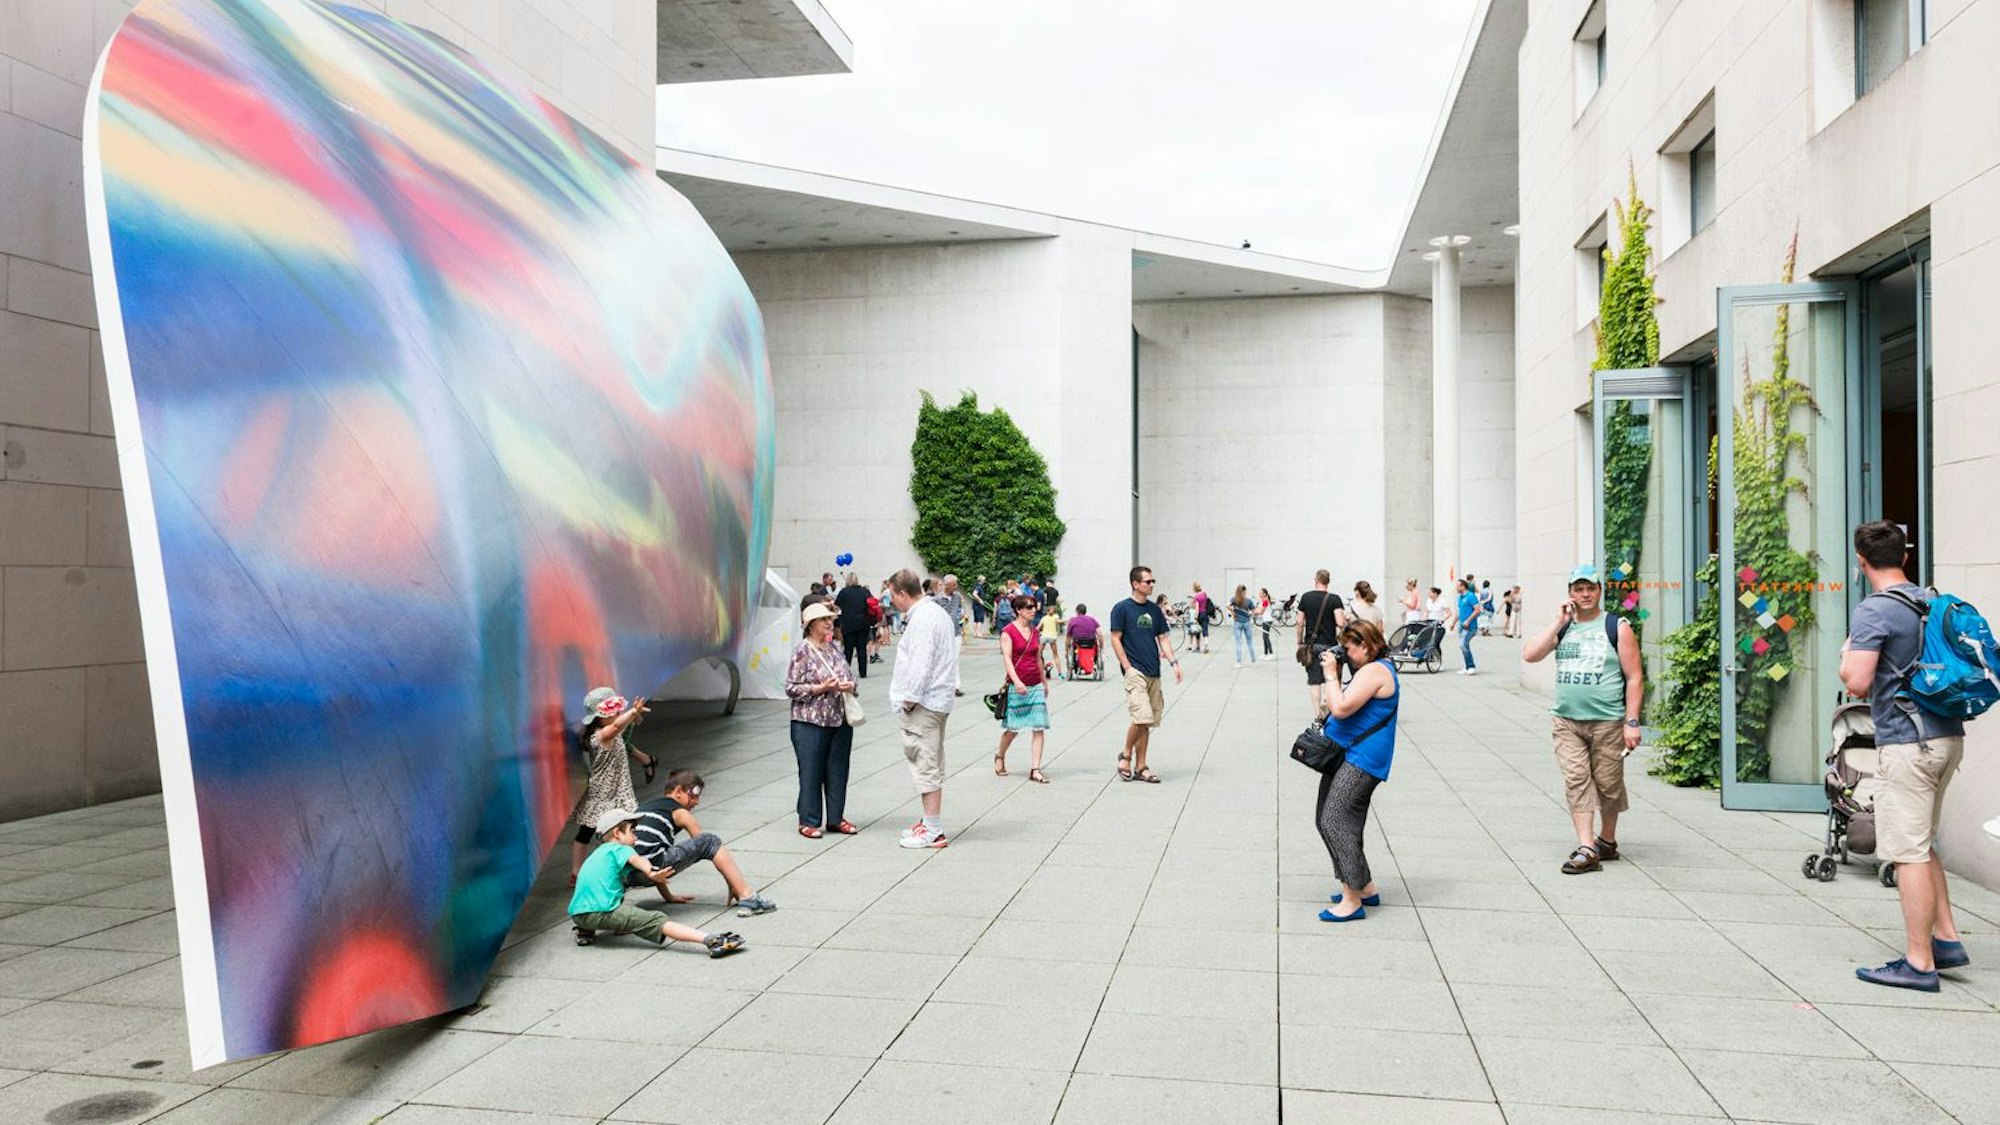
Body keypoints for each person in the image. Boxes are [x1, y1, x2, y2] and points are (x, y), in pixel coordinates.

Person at [1843, 520, 1970, 992]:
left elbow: (1857, 681)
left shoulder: (1875, 609)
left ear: (1861, 561)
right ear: (1905, 557)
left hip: (1906, 744)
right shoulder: (1929, 600)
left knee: (1907, 852)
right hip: (1946, 737)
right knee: (1923, 842)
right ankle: (1946, 938)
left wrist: (1846, 654)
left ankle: (1919, 962)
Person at [1521, 564, 1644, 875]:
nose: (1585, 594)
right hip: (1567, 721)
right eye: (1579, 589)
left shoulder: (1617, 626)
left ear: (1600, 591)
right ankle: (1587, 848)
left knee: (1608, 784)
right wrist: (1558, 622)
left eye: (1590, 588)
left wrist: (1631, 721)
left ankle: (1607, 841)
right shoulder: (1564, 628)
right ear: (1570, 593)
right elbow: (1530, 654)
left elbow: (1634, 677)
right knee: (1576, 779)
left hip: (1608, 721)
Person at [1314, 620, 1400, 923]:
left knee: (1335, 821)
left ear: (1366, 645)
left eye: (1349, 649)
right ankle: (1364, 887)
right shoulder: (1369, 669)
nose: (1346, 655)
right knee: (1327, 819)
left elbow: (1340, 708)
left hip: (1362, 759)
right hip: (1349, 753)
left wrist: (1330, 674)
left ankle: (1352, 900)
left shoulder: (1375, 671)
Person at [569, 808, 744, 956]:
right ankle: (711, 940)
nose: (636, 837)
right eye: (632, 831)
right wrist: (651, 872)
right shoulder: (619, 849)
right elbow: (639, 860)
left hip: (578, 915)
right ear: (617, 833)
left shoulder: (598, 854)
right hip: (603, 913)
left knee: (612, 884)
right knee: (656, 919)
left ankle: (585, 931)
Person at [631, 770, 776, 916]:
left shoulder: (648, 807)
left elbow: (648, 853)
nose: (697, 802)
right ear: (678, 791)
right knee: (710, 840)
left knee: (657, 850)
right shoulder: (679, 811)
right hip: (650, 869)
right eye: (693, 795)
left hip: (629, 875)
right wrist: (733, 884)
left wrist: (668, 897)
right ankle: (747, 895)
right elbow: (706, 845)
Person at [890, 568, 957, 848]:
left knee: (924, 763)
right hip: (938, 699)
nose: (892, 601)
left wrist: (908, 699)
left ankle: (933, 829)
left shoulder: (923, 618)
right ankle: (928, 822)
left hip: (924, 702)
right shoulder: (936, 613)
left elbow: (920, 663)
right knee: (931, 761)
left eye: (893, 596)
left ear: (902, 593)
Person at [569, 687, 659, 881]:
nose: (616, 714)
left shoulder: (610, 731)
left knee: (617, 830)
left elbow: (623, 725)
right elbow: (618, 726)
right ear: (598, 718)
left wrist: (634, 715)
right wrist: (633, 712)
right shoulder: (601, 736)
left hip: (616, 790)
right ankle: (577, 873)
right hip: (603, 793)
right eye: (610, 711)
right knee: (590, 833)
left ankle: (619, 867)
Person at [786, 602, 856, 839]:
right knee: (811, 771)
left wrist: (850, 685)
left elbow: (850, 675)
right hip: (809, 721)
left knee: (838, 770)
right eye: (824, 619)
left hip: (839, 718)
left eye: (830, 619)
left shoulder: (834, 647)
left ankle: (836, 818)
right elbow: (791, 688)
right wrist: (820, 688)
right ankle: (808, 820)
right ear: (811, 625)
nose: (829, 623)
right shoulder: (802, 650)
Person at [1110, 566, 1181, 783]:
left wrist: (1174, 662)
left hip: (1154, 671)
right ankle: (1126, 756)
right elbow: (1115, 638)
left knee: (1147, 722)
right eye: (1148, 581)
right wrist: (1127, 667)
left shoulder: (1154, 610)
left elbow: (1163, 638)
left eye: (1152, 581)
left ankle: (1141, 766)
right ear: (1135, 584)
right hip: (1135, 671)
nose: (1151, 585)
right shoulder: (1121, 608)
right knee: (1142, 717)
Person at [996, 594, 1052, 784]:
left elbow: (1038, 659)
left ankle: (1035, 769)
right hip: (1017, 685)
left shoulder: (1035, 632)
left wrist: (1044, 682)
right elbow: (1007, 659)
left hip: (1035, 684)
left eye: (1034, 607)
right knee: (1013, 729)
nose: (1033, 610)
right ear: (1018, 610)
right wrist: (1016, 681)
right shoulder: (1008, 632)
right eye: (1029, 607)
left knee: (1039, 727)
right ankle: (1000, 755)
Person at [1296, 570, 1347, 712]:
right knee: (1329, 678)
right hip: (1330, 645)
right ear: (1328, 581)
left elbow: (1299, 622)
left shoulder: (1306, 597)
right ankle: (1328, 707)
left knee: (1314, 681)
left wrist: (1299, 642)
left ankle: (1318, 714)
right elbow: (1340, 622)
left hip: (1312, 645)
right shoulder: (1334, 599)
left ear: (1316, 580)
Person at [834, 573, 873, 679]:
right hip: (863, 623)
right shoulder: (865, 591)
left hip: (848, 623)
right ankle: (863, 672)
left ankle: (846, 671)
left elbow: (837, 605)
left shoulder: (844, 592)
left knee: (848, 648)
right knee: (862, 648)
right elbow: (871, 603)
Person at [937, 574, 967, 696]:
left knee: (954, 658)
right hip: (942, 634)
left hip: (955, 632)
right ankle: (942, 685)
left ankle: (955, 686)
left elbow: (960, 609)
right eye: (953, 585)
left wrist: (962, 615)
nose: (955, 587)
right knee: (943, 660)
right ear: (946, 585)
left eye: (956, 584)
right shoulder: (937, 599)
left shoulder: (957, 596)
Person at [1451, 578, 1480, 676]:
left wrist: (1468, 621)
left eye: (1457, 586)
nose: (1456, 588)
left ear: (1463, 586)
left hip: (1470, 627)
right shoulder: (1460, 598)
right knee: (1464, 646)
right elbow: (1459, 612)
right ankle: (1467, 666)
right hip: (1461, 626)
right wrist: (1453, 623)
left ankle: (1471, 666)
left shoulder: (1471, 596)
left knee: (1463, 645)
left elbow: (1477, 610)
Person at [1228, 584, 1258, 667]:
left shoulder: (1233, 599)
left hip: (1237, 623)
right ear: (1244, 591)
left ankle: (1238, 662)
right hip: (1247, 622)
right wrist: (1251, 613)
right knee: (1250, 643)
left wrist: (1233, 611)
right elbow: (1254, 610)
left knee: (1238, 643)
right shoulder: (1248, 600)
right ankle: (1253, 662)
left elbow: (1227, 605)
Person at [1066, 602, 1100, 675]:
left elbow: (1068, 637)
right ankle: (1093, 662)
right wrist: (1102, 645)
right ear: (1085, 611)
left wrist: (1066, 650)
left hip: (1078, 643)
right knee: (1095, 645)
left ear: (1077, 611)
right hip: (1091, 643)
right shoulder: (1092, 619)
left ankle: (1076, 664)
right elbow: (1099, 633)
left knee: (1074, 645)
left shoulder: (1073, 620)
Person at [1038, 600, 1066, 679]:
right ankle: (1060, 674)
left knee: (1038, 654)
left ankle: (1041, 670)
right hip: (1052, 637)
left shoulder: (1044, 618)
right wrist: (1067, 621)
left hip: (1044, 637)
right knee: (1055, 655)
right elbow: (1058, 621)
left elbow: (1038, 627)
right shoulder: (1055, 616)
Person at [1188, 582, 1212, 654]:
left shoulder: (1196, 597)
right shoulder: (1204, 594)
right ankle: (1206, 643)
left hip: (1200, 614)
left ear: (1194, 588)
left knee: (1197, 630)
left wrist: (1196, 617)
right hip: (1205, 613)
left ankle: (1198, 646)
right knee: (1205, 629)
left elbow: (1197, 608)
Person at [1257, 587, 1276, 656]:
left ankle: (1271, 654)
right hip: (1265, 620)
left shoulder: (1265, 601)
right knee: (1264, 637)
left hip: (1267, 620)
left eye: (1261, 593)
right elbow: (1259, 609)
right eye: (1259, 593)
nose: (1259, 594)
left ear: (1264, 594)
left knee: (1266, 637)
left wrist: (1253, 612)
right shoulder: (1263, 601)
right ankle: (1265, 654)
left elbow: (1261, 611)